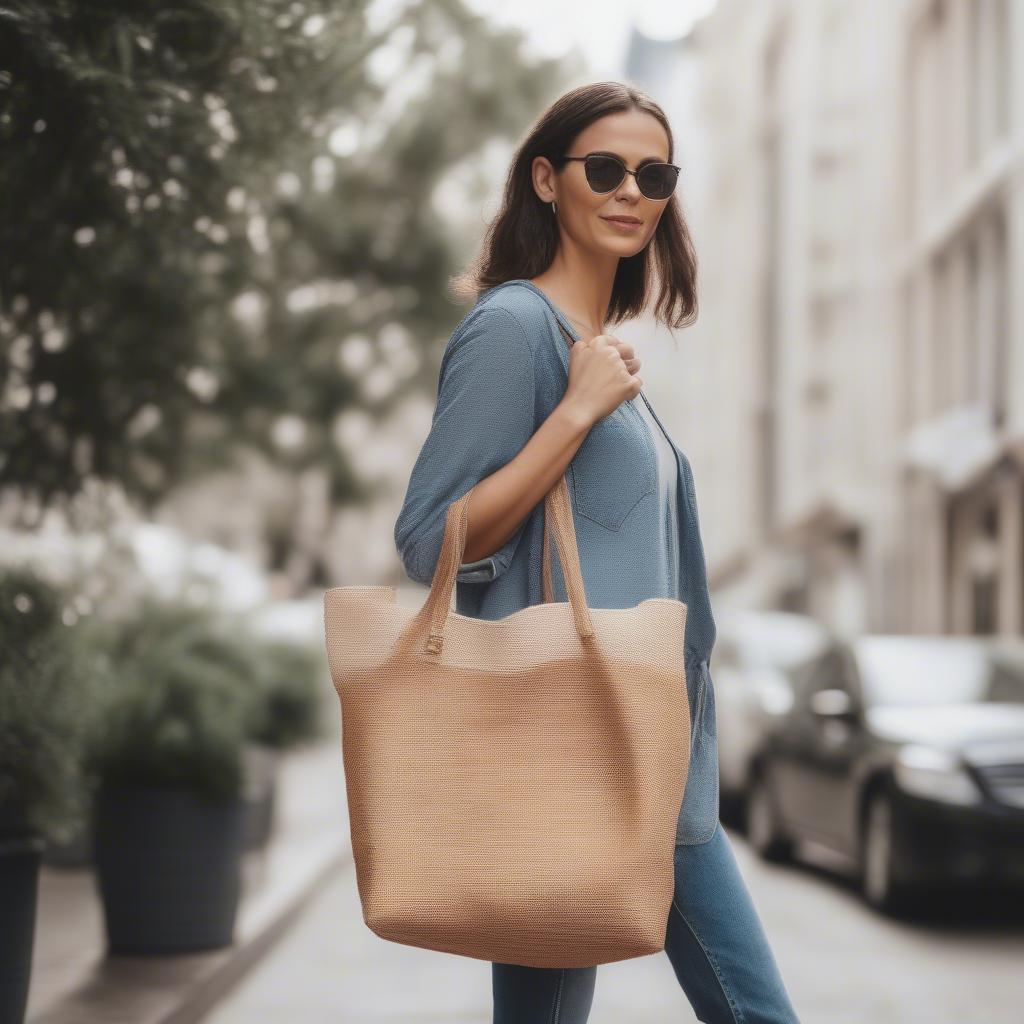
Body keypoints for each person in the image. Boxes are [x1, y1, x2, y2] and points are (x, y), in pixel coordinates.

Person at [394, 80, 801, 1024]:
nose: (630, 191)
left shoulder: (598, 345)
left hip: (641, 748)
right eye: (604, 168)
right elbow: (430, 540)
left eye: (652, 173)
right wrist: (574, 414)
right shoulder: (515, 330)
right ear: (546, 179)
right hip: (586, 737)